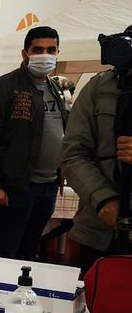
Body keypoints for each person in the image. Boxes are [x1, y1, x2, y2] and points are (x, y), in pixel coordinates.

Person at [0, 26, 68, 260]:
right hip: (15, 187)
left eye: (51, 50)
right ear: (25, 53)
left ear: (57, 52)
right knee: (3, 253)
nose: (45, 55)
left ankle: (22, 295)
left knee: (30, 251)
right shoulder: (4, 88)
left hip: (48, 186)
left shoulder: (54, 88)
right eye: (38, 49)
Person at [63, 24, 132, 273]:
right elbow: (73, 152)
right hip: (99, 230)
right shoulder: (98, 88)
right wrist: (104, 200)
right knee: (97, 306)